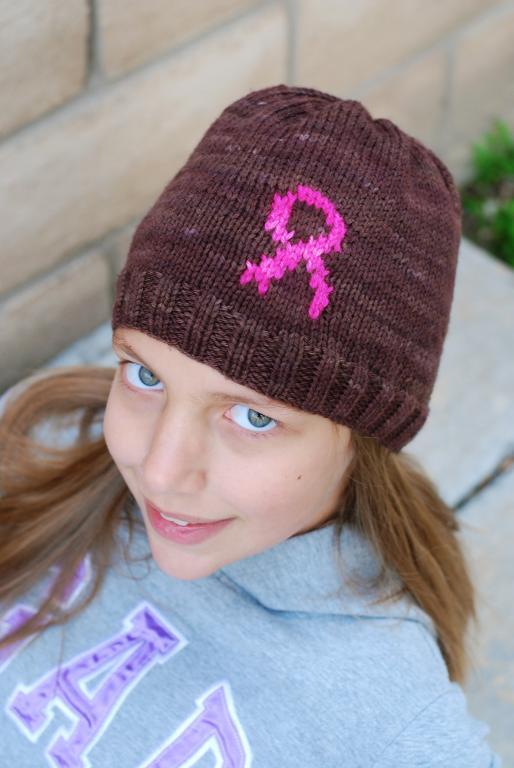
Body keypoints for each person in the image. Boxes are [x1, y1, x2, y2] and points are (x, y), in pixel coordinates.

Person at [0, 84, 502, 767]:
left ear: (364, 439)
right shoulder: (44, 443)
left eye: (253, 416)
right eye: (146, 376)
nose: (161, 468)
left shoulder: (385, 721)